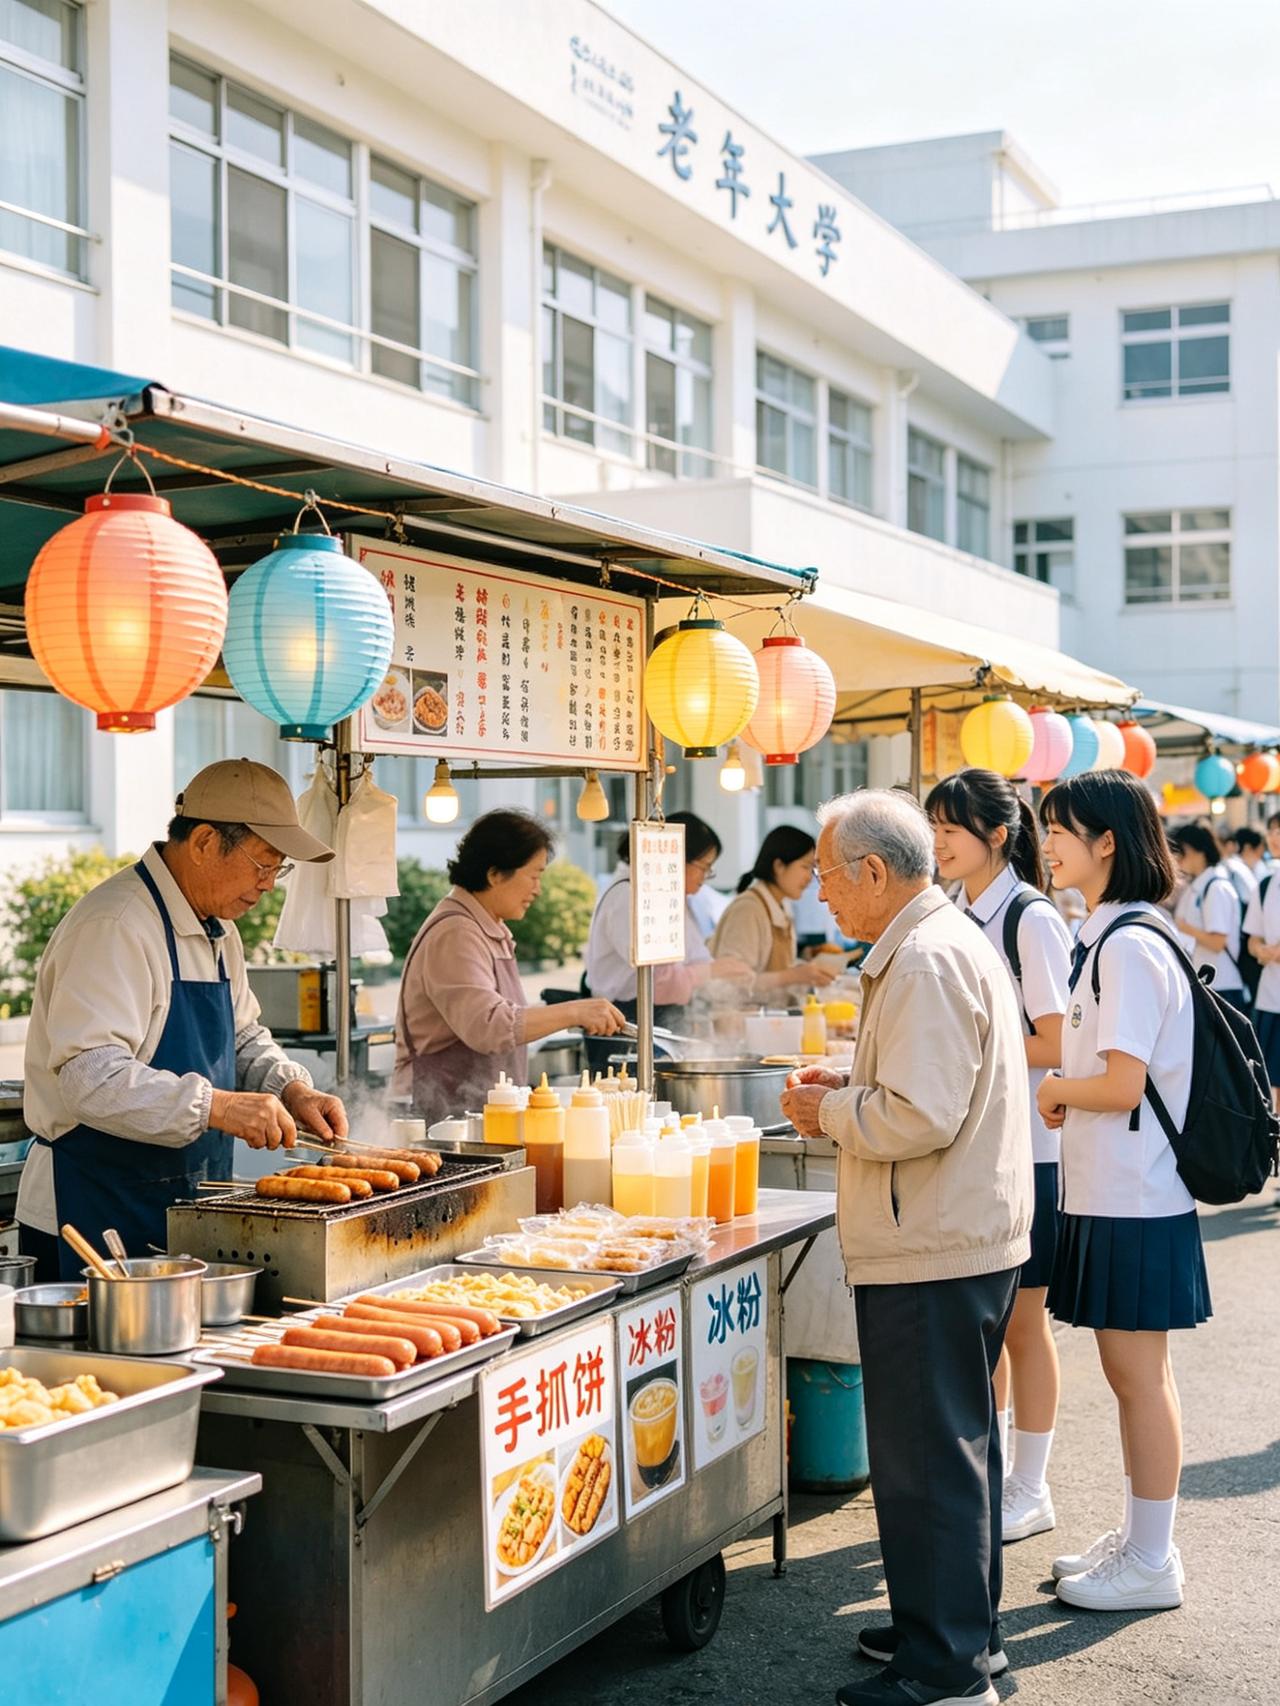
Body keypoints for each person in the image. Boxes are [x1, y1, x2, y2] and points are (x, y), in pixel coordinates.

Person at [780, 789, 1032, 1706]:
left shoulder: (922, 956)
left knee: (929, 1461)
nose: (823, 899)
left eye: (830, 879)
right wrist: (852, 1080)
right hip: (959, 1231)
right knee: (954, 1452)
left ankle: (949, 1669)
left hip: (933, 1240)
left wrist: (827, 1108)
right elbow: (932, 1083)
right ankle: (959, 1631)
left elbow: (920, 1115)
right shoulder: (938, 939)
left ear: (876, 874)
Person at [17, 759, 349, 1282]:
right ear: (203, 843)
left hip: (186, 1203)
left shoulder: (219, 930)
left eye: (278, 869)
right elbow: (90, 1077)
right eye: (263, 864)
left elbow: (242, 1038)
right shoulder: (116, 925)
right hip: (92, 1205)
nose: (269, 885)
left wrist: (289, 1089)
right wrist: (217, 1106)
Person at [1036, 770, 1209, 1614]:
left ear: (1109, 841)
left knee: (1138, 1378)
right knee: (1134, 1375)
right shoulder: (1114, 934)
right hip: (1121, 1193)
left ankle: (1151, 1559)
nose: (1050, 843)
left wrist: (1054, 1092)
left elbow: (1124, 1083)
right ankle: (1144, 1543)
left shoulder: (1129, 945)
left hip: (1136, 1195)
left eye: (1062, 829)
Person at [926, 769, 1072, 1548]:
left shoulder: (1029, 917)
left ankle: (1031, 1485)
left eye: (952, 828)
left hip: (1036, 1154)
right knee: (992, 1326)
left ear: (996, 834)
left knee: (1023, 1323)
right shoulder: (959, 910)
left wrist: (969, 1050)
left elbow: (1057, 1040)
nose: (939, 842)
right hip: (987, 1149)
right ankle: (999, 1476)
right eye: (935, 827)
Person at [394, 810, 625, 1124]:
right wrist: (575, 1012)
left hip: (477, 1113)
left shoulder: (486, 926)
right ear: (494, 874)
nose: (538, 889)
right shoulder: (456, 933)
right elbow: (488, 1026)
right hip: (443, 1119)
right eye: (534, 875)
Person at [583, 811, 751, 1031]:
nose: (705, 876)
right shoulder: (629, 896)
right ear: (676, 858)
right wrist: (713, 971)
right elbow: (661, 982)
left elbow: (692, 959)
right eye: (704, 866)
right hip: (627, 1021)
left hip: (663, 1017)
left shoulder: (672, 898)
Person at [710, 826, 841, 997]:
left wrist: (806, 965)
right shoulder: (748, 909)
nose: (810, 877)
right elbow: (732, 984)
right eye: (805, 867)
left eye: (812, 869)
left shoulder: (782, 905)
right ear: (779, 866)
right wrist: (793, 976)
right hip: (742, 1020)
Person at [1169, 824, 1247, 1010]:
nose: (1178, 861)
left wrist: (1184, 928)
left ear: (1193, 851)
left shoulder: (1216, 887)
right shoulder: (1198, 885)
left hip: (1222, 985)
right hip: (1208, 983)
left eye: (1181, 853)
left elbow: (1217, 942)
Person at [1244, 857, 1280, 1108]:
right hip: (1271, 998)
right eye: (1273, 831)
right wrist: (1260, 950)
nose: (1275, 837)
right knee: (1272, 1081)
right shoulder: (1266, 885)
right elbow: (1252, 938)